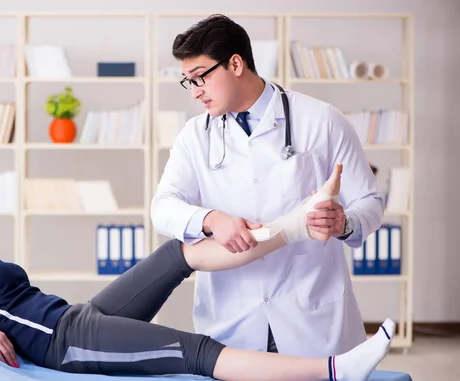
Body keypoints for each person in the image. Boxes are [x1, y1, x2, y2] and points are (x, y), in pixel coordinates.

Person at [0, 167, 394, 381]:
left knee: (175, 254)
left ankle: (299, 223)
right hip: (66, 345)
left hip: (76, 316)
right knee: (196, 351)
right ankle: (336, 370)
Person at [151, 14, 384, 358]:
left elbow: (370, 201)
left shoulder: (322, 120)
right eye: (189, 81)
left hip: (311, 313)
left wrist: (344, 223)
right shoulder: (195, 136)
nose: (196, 91)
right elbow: (162, 207)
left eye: (201, 76)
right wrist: (210, 219)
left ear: (235, 63)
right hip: (232, 318)